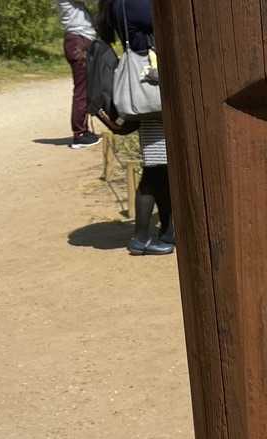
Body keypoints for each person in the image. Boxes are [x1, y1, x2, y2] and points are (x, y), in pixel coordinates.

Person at [96, 0, 173, 256]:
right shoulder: (133, 2)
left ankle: (168, 230)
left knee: (160, 167)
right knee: (155, 168)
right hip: (150, 90)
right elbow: (167, 21)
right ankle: (141, 237)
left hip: (149, 92)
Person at [53, 0, 100, 149]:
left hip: (79, 41)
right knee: (82, 91)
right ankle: (79, 134)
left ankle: (82, 131)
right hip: (78, 41)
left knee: (85, 89)